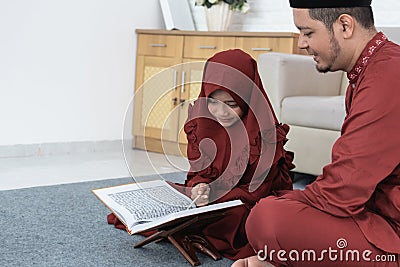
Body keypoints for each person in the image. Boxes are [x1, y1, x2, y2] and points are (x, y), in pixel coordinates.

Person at [232, 1, 400, 267]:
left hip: (392, 230)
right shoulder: (372, 68)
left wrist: (277, 204)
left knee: (267, 218)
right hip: (376, 212)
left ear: (345, 25)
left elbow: (343, 190)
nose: (301, 43)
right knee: (270, 210)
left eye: (308, 32)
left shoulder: (389, 74)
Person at [179, 49, 295, 260]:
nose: (221, 113)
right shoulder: (203, 125)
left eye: (232, 105)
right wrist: (200, 186)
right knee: (177, 201)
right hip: (218, 198)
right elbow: (198, 171)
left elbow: (257, 191)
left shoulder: (264, 133)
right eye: (213, 103)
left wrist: (214, 195)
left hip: (250, 200)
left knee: (250, 220)